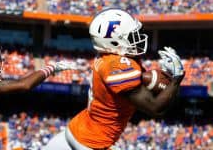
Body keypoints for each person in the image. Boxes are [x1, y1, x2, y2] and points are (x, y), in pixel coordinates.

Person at [44, 8, 185, 150]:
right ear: (114, 42)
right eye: (131, 36)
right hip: (92, 144)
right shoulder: (117, 66)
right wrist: (177, 78)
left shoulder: (110, 58)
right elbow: (155, 108)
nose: (138, 38)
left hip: (76, 130)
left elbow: (138, 82)